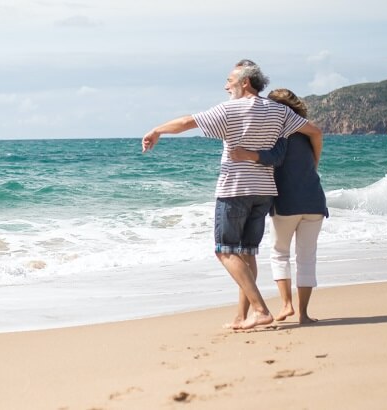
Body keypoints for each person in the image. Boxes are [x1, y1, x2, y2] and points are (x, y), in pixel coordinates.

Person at [141, 59, 322, 330]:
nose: (226, 86)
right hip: (264, 193)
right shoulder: (278, 112)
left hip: (235, 190)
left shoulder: (231, 109)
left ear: (245, 82)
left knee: (224, 251)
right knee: (247, 254)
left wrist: (157, 130)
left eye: (230, 81)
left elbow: (188, 122)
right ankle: (242, 316)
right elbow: (314, 131)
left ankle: (260, 310)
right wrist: (314, 165)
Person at [229, 88, 328, 324]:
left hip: (287, 202)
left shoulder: (277, 132)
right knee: (307, 257)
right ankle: (304, 314)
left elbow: (274, 157)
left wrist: (246, 154)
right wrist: (315, 162)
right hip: (315, 201)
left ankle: (286, 305)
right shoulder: (305, 132)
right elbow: (316, 141)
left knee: (279, 254)